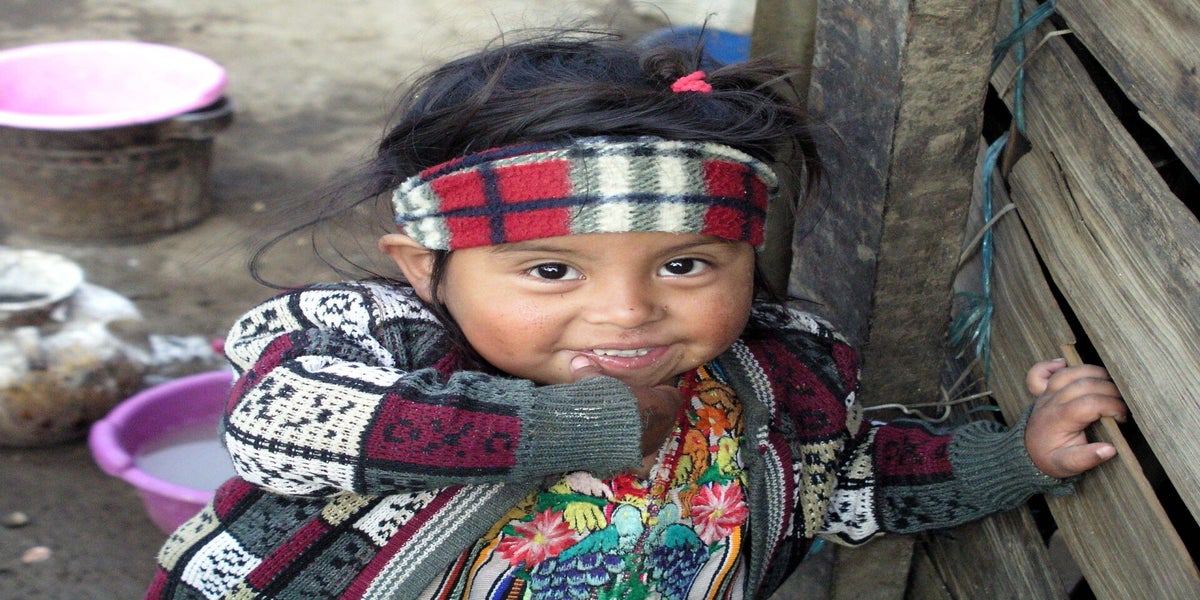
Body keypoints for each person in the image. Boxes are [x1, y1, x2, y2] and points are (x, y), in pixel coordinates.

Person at [146, 31, 1126, 600]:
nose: (627, 312)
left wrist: (1015, 459)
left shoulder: (777, 377)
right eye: (551, 271)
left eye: (687, 264)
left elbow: (851, 484)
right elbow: (278, 423)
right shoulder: (366, 335)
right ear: (425, 268)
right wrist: (575, 425)